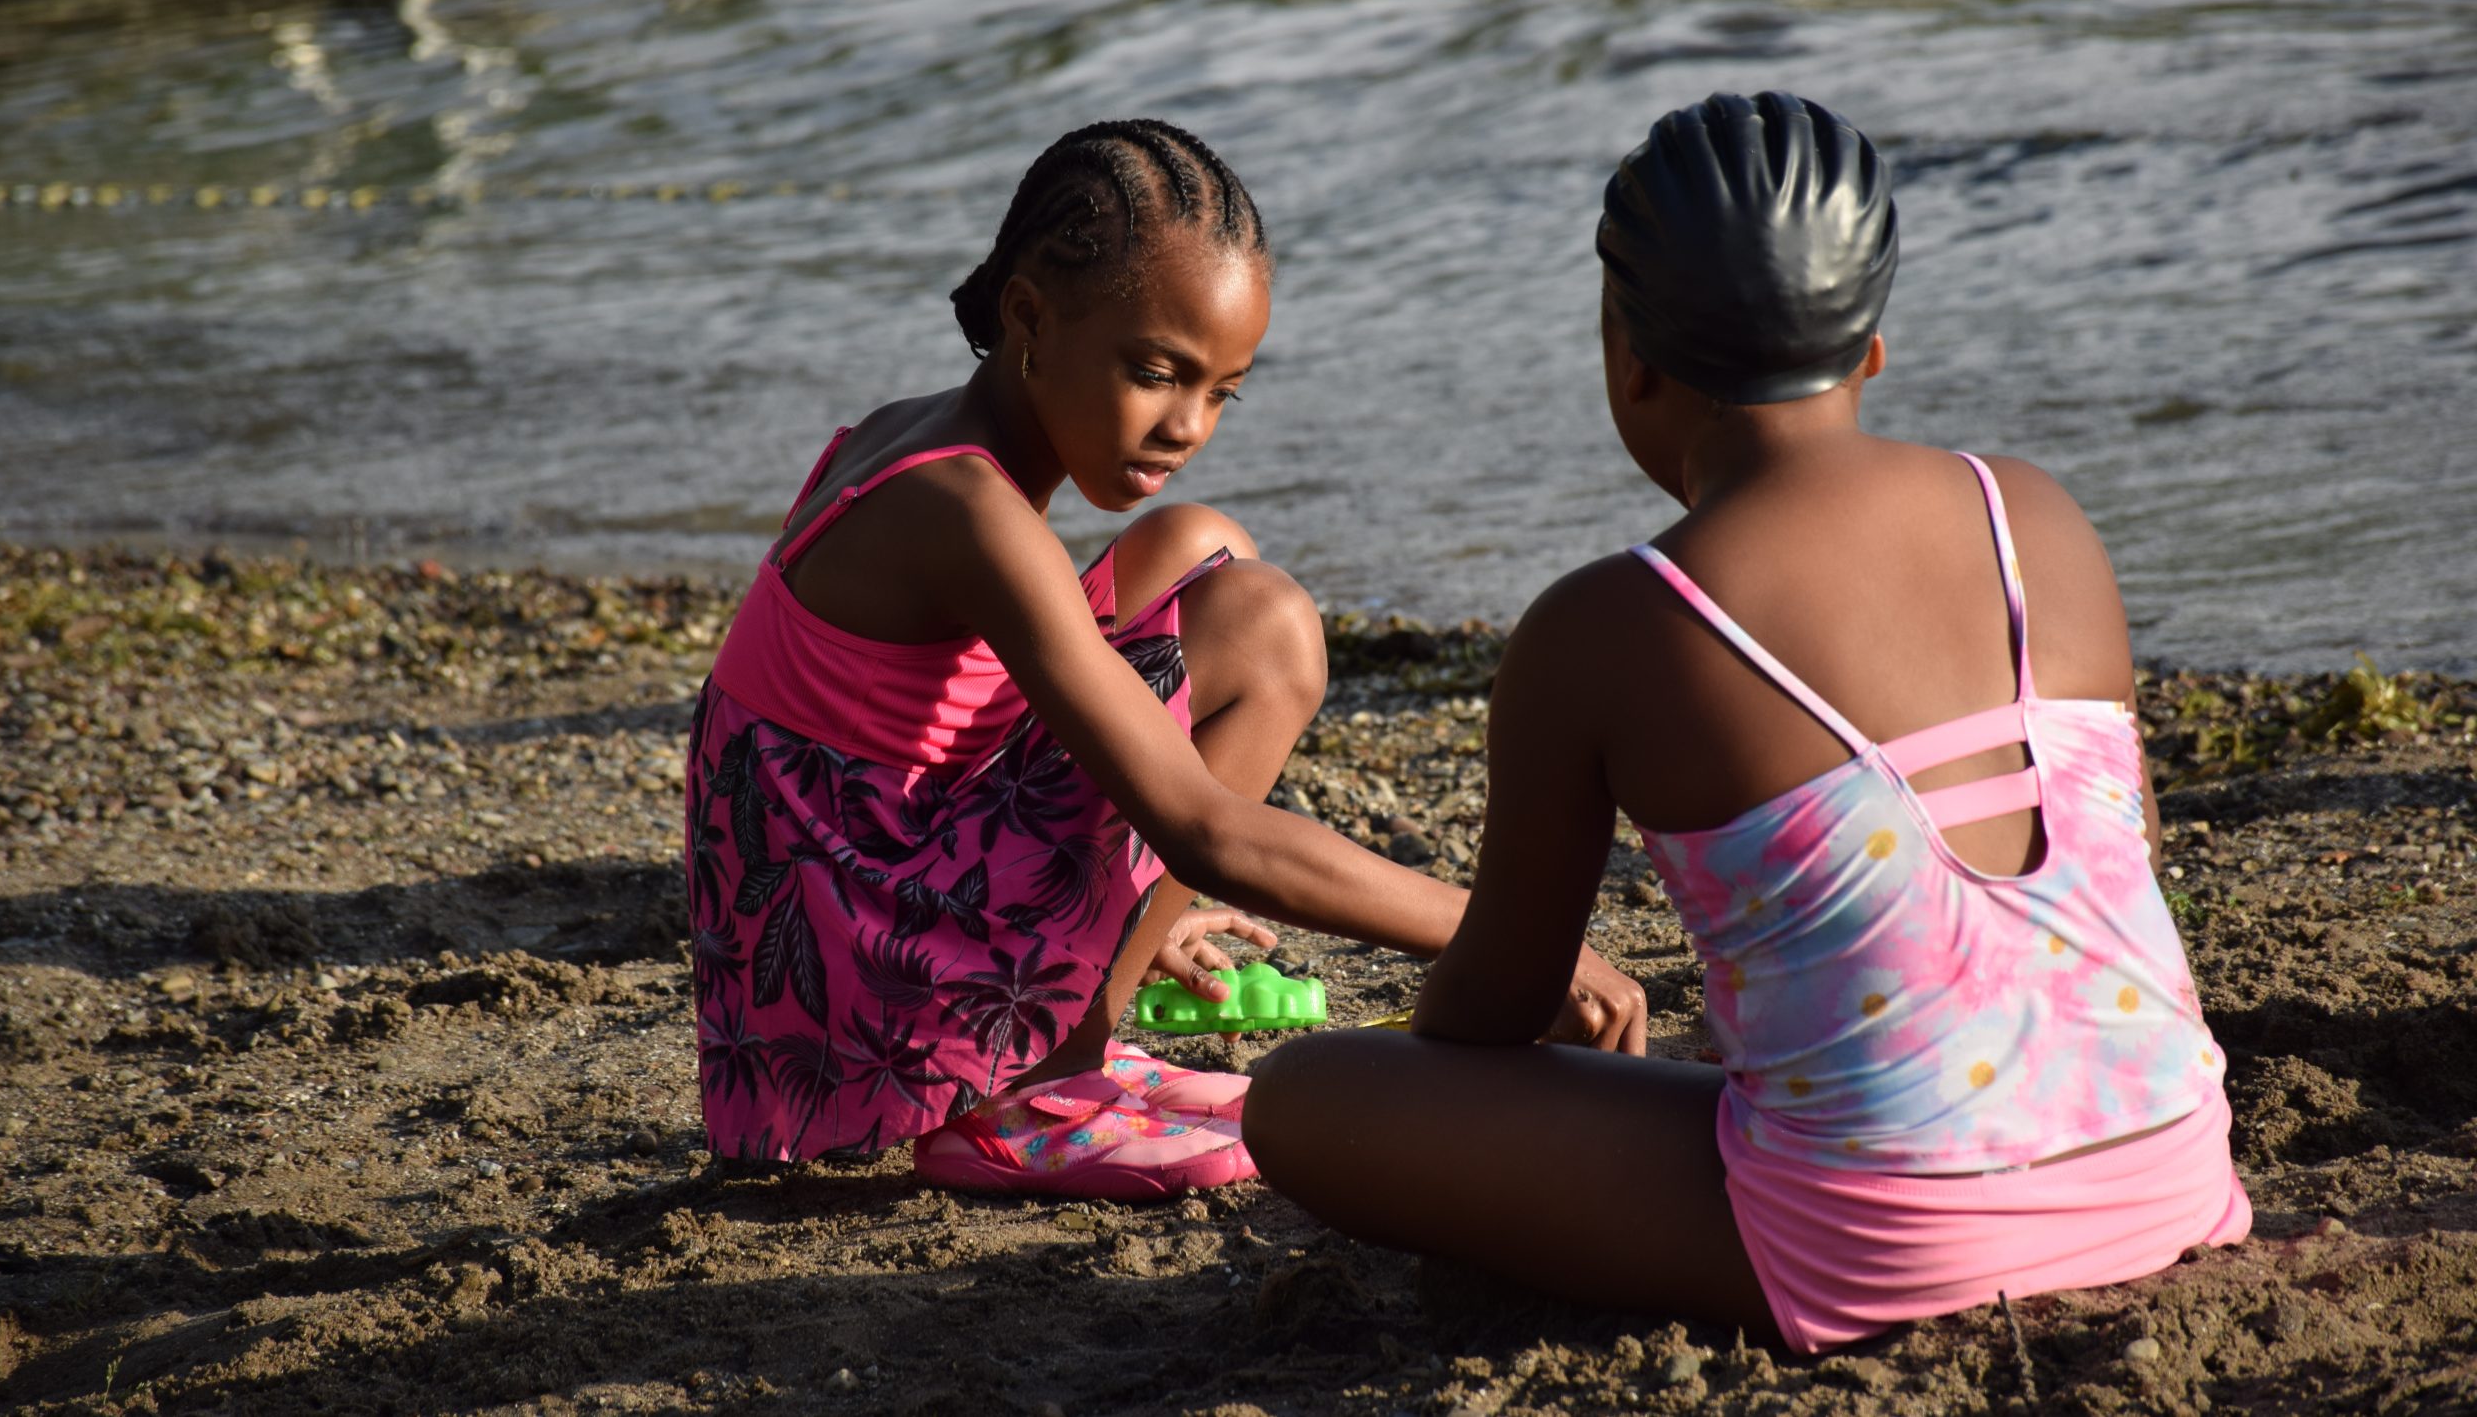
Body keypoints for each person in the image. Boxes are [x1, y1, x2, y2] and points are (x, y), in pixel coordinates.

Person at [1243, 92, 2251, 1351]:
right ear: (1872, 343)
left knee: (1302, 1095)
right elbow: (2126, 867)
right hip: (2171, 1170)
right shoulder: (2032, 518)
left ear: (1630, 357)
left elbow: (1494, 1008)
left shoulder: (1613, 622)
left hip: (1896, 1239)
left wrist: (1514, 1060)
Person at [683, 119, 1643, 1200]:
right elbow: (1208, 832)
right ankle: (1032, 1082)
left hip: (849, 875)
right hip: (851, 990)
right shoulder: (965, 513)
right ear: (1030, 317)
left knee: (1205, 546)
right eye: (1155, 373)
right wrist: (1524, 945)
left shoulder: (918, 434)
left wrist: (1146, 904)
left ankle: (1066, 1017)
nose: (1187, 424)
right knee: (1264, 628)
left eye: (1221, 391)